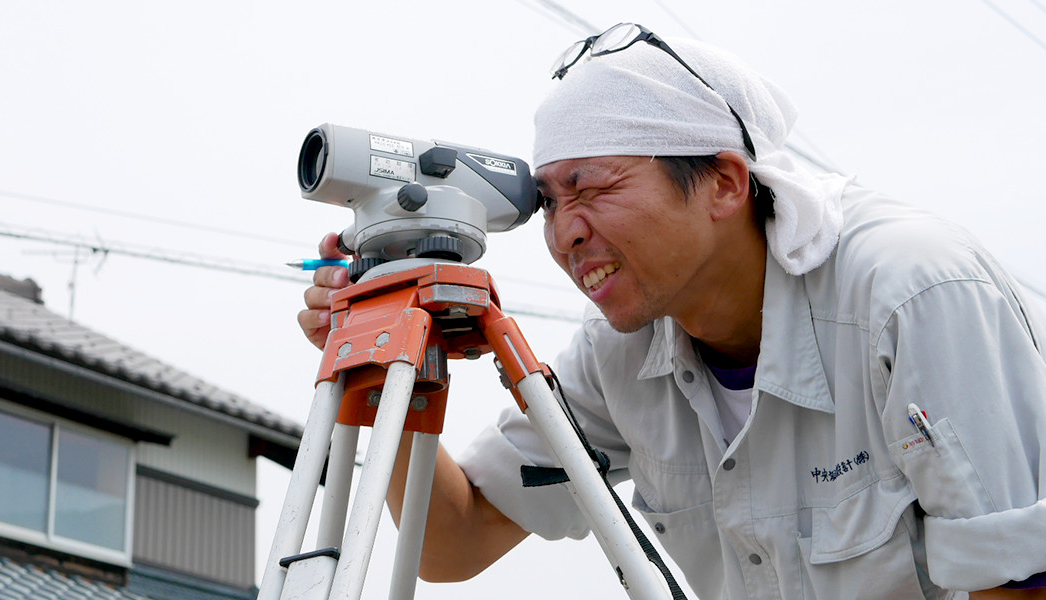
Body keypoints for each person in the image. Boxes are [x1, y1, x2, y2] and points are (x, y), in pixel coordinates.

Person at [296, 24, 1046, 599]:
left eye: (592, 189)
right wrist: (378, 351)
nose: (566, 232)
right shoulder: (619, 357)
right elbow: (449, 545)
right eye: (550, 203)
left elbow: (1019, 580)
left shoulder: (909, 292)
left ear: (723, 182)